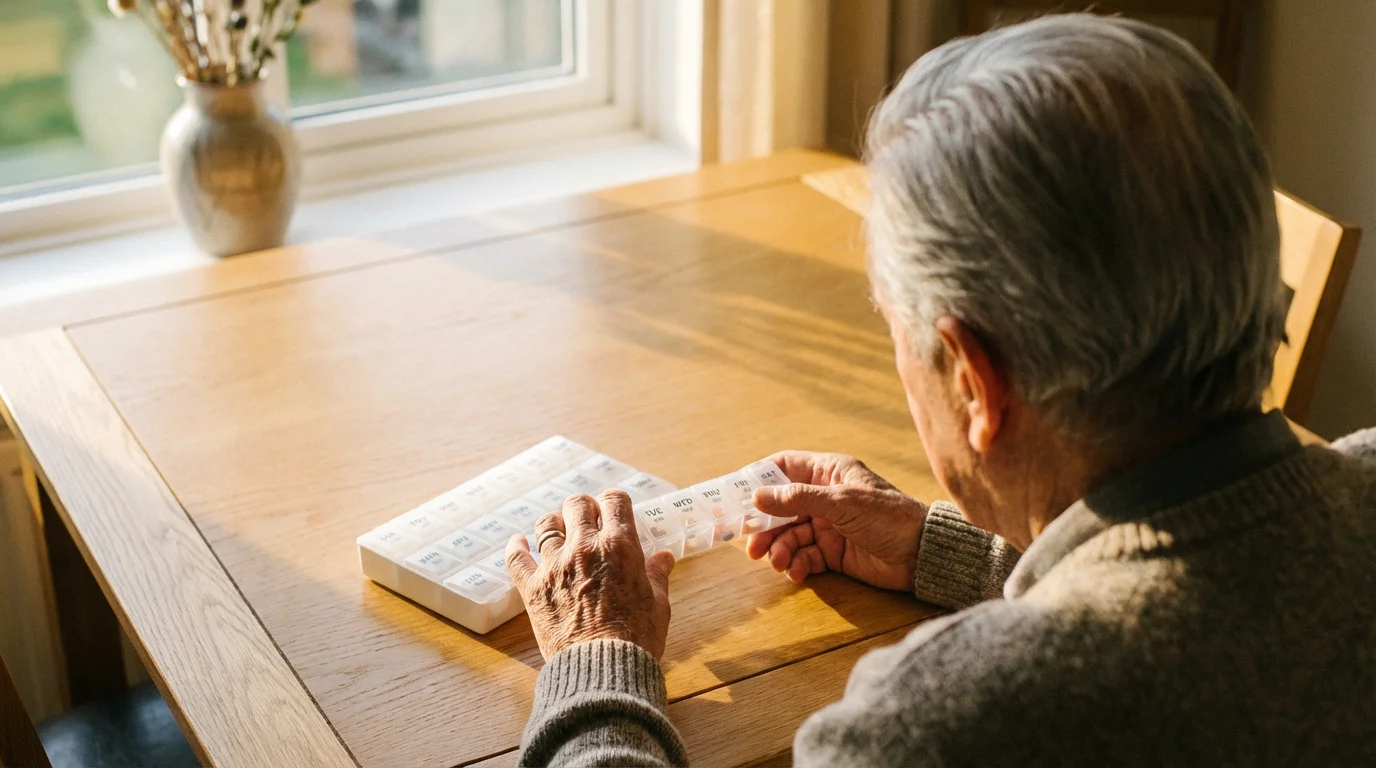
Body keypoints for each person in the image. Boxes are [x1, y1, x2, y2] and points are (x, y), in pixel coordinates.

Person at [502, 13, 1376, 767]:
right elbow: (1209, 602)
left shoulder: (937, 728)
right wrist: (955, 549)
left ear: (973, 382)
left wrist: (599, 664)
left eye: (896, 327)